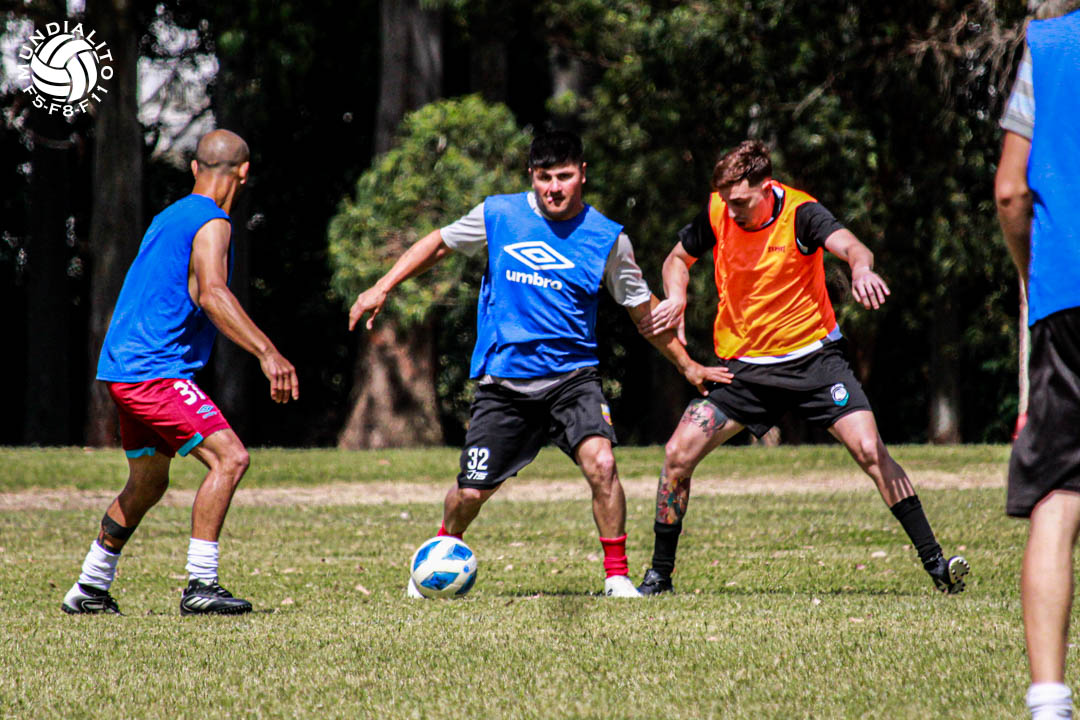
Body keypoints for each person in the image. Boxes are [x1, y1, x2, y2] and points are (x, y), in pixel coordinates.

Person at [349, 130, 731, 598]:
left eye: (563, 177)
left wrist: (688, 366)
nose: (554, 188)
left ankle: (616, 577)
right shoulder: (498, 214)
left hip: (573, 379)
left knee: (603, 464)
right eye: (544, 177)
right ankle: (442, 551)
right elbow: (439, 244)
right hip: (504, 383)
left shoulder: (608, 239)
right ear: (531, 175)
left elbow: (643, 313)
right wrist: (383, 286)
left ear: (582, 174)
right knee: (470, 493)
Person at [634, 139, 969, 597]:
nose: (732, 211)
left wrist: (861, 270)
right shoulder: (719, 211)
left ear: (766, 186)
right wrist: (677, 296)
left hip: (815, 363)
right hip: (746, 371)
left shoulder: (801, 214)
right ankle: (659, 576)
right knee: (677, 454)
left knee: (870, 450)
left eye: (741, 201)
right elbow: (677, 258)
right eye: (726, 201)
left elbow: (853, 246)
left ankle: (937, 564)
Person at [61, 129, 299, 616]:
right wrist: (267, 352)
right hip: (154, 372)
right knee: (230, 459)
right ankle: (201, 585)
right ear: (244, 173)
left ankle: (89, 587)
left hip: (124, 369)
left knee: (148, 482)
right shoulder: (213, 222)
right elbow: (212, 293)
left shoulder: (169, 216)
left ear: (195, 168)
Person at [995, 3, 1080, 717]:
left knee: (1059, 490)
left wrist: (1034, 272)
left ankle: (1049, 699)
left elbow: (1010, 189)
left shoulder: (1047, 45)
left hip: (1067, 290)